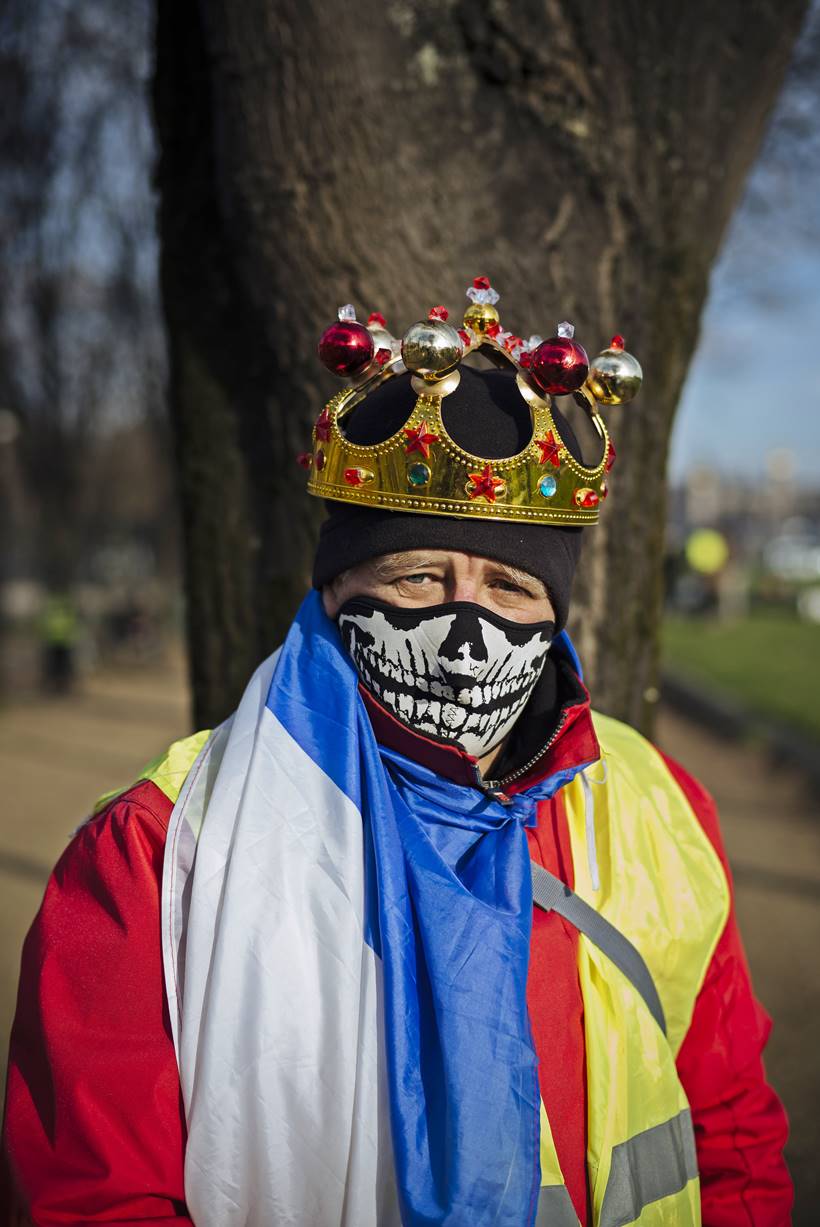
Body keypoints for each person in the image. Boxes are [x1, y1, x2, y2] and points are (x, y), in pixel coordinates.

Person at [2, 281, 791, 1226]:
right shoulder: (155, 854)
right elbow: (94, 1199)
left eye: (508, 583)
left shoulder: (657, 810)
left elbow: (732, 1132)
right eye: (418, 574)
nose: (466, 629)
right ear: (338, 591)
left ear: (555, 611)